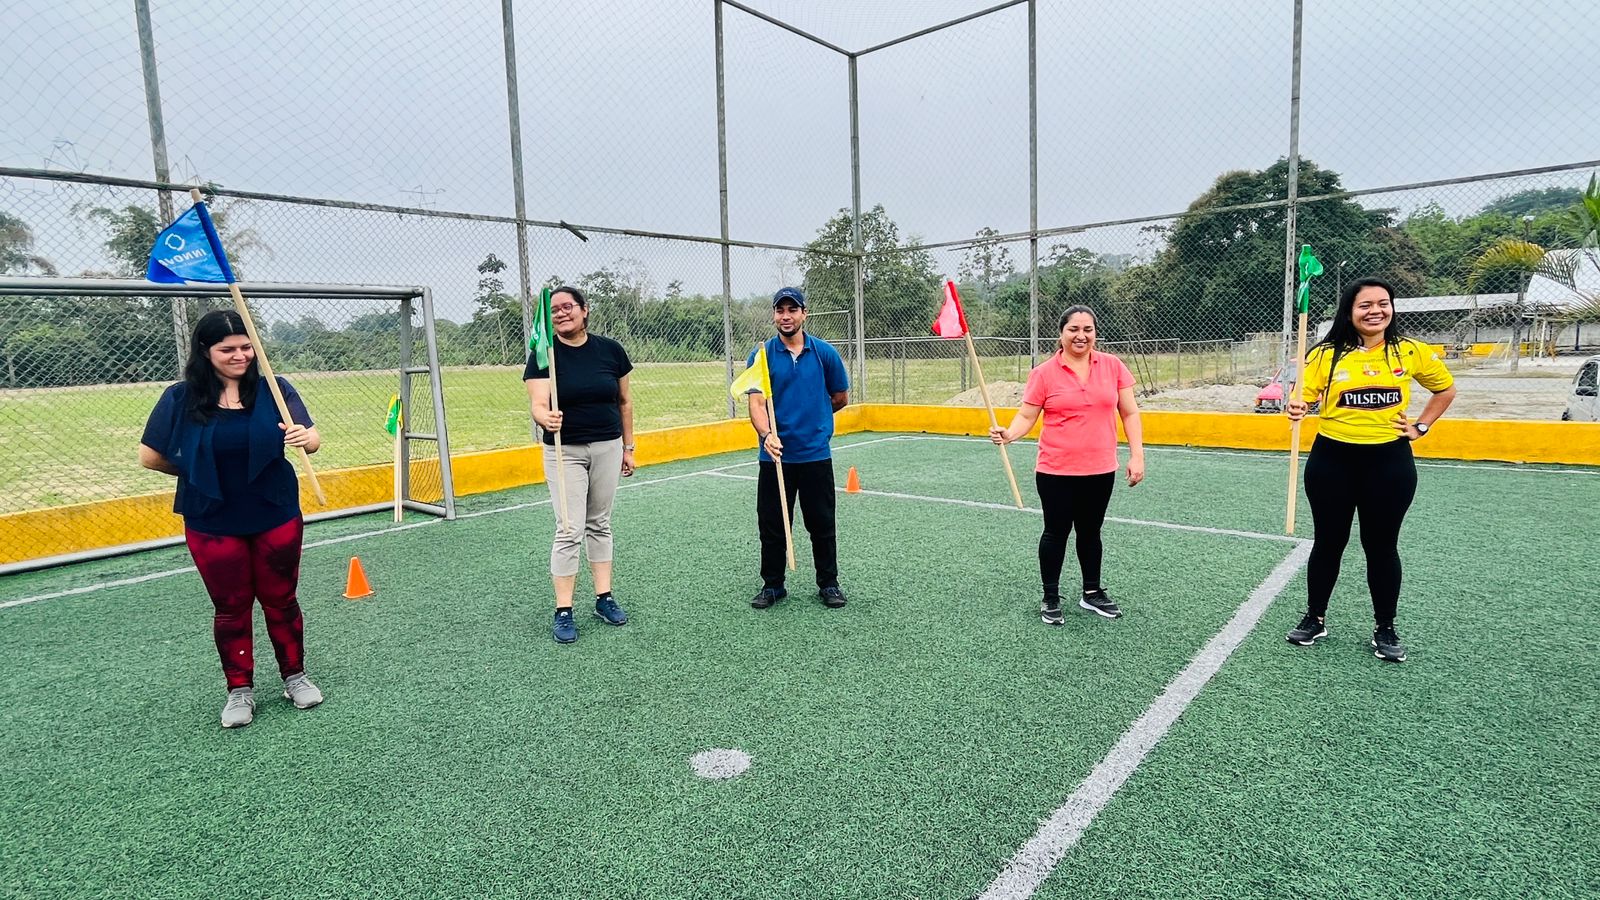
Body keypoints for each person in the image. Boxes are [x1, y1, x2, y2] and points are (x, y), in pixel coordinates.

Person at [138, 310, 323, 729]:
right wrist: (199, 472)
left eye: (246, 347)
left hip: (274, 511)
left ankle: (295, 676)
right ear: (205, 351)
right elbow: (149, 456)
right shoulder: (180, 398)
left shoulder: (274, 388)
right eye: (228, 349)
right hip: (211, 517)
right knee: (231, 607)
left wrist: (305, 437)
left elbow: (311, 438)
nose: (240, 356)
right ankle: (239, 690)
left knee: (281, 599)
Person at [1285, 277, 1456, 662]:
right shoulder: (1325, 355)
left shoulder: (1410, 351)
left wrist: (1421, 427)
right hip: (1332, 461)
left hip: (1389, 464)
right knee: (1328, 543)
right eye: (1365, 305)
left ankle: (1385, 627)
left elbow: (1445, 390)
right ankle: (1315, 617)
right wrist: (1296, 406)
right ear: (1349, 311)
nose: (1375, 311)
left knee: (1381, 546)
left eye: (1383, 303)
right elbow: (1301, 399)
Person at [991, 305, 1145, 626]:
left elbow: (1129, 413)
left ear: (1095, 333)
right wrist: (1009, 434)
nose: (1081, 336)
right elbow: (1027, 416)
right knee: (1056, 532)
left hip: (1100, 469)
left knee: (1090, 532)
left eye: (1088, 329)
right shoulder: (1044, 373)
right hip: (1055, 471)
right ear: (1061, 333)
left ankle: (1092, 592)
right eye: (1073, 329)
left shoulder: (1113, 366)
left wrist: (1137, 455)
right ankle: (1050, 596)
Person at [525, 285, 636, 644]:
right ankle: (563, 610)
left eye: (568, 306)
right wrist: (544, 418)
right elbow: (538, 403)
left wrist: (628, 448)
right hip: (565, 451)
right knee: (569, 528)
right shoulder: (544, 355)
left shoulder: (611, 351)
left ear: (584, 310)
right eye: (554, 310)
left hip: (608, 445)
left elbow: (624, 401)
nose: (561, 313)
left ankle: (604, 598)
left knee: (599, 523)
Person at [745, 287, 850, 610]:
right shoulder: (761, 356)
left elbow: (840, 397)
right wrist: (767, 434)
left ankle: (829, 583)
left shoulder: (824, 353)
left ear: (804, 313)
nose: (786, 316)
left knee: (822, 523)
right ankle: (773, 585)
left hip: (815, 454)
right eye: (780, 310)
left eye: (792, 310)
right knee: (772, 525)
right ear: (774, 315)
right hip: (775, 457)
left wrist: (817, 420)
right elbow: (756, 403)